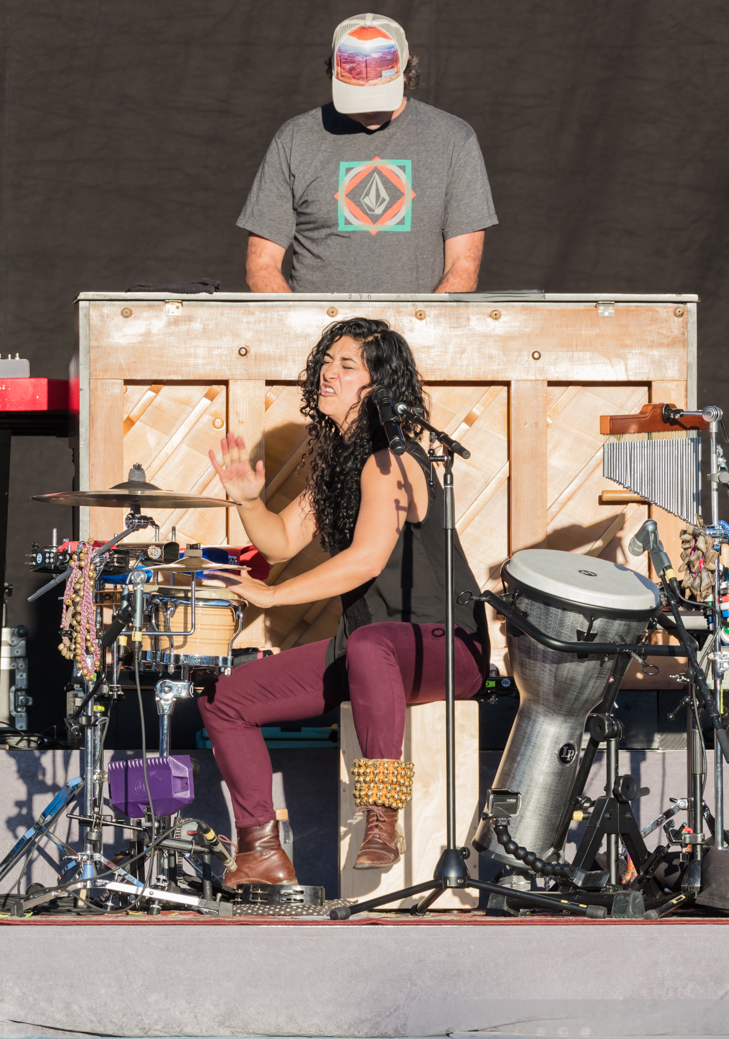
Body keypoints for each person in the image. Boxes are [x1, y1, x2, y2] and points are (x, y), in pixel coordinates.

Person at [201, 317, 488, 886]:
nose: (328, 374)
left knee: (370, 643)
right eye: (326, 363)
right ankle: (260, 850)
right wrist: (249, 502)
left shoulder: (393, 461)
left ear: (379, 385)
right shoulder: (340, 468)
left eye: (347, 365)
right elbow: (281, 542)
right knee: (224, 699)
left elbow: (365, 561)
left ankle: (382, 816)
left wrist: (273, 595)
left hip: (447, 646)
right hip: (366, 649)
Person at [237, 13, 497, 295]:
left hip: (415, 325)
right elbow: (261, 264)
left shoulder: (454, 139)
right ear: (334, 71)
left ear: (406, 67)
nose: (370, 109)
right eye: (357, 95)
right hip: (318, 324)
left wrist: (419, 322)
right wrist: (305, 322)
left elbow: (463, 266)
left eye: (380, 94)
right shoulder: (294, 139)